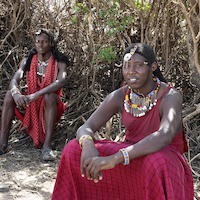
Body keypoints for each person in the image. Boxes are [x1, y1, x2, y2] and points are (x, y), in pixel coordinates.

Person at [52, 43, 194, 199]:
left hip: (164, 160)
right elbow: (86, 127)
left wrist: (114, 159)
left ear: (153, 67)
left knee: (155, 161)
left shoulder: (170, 96)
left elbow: (164, 136)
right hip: (130, 156)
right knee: (73, 148)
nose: (131, 71)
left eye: (138, 65)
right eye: (126, 66)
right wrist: (87, 144)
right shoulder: (121, 95)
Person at [0, 28, 70, 161]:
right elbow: (14, 81)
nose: (40, 45)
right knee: (10, 94)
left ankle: (47, 147)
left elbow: (60, 82)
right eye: (38, 42)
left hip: (51, 105)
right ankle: (2, 144)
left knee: (49, 96)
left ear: (52, 44)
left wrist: (36, 95)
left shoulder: (60, 62)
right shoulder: (27, 62)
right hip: (31, 103)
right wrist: (16, 94)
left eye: (44, 42)